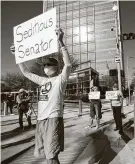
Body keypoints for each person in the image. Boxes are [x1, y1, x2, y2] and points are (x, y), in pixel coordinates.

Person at [11, 28, 71, 164]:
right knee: (46, 154)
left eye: (48, 65)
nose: (46, 67)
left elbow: (68, 64)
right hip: (41, 119)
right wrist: (17, 55)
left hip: (53, 118)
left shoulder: (60, 80)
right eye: (44, 65)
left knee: (51, 155)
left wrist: (61, 42)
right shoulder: (42, 81)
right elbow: (27, 73)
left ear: (56, 67)